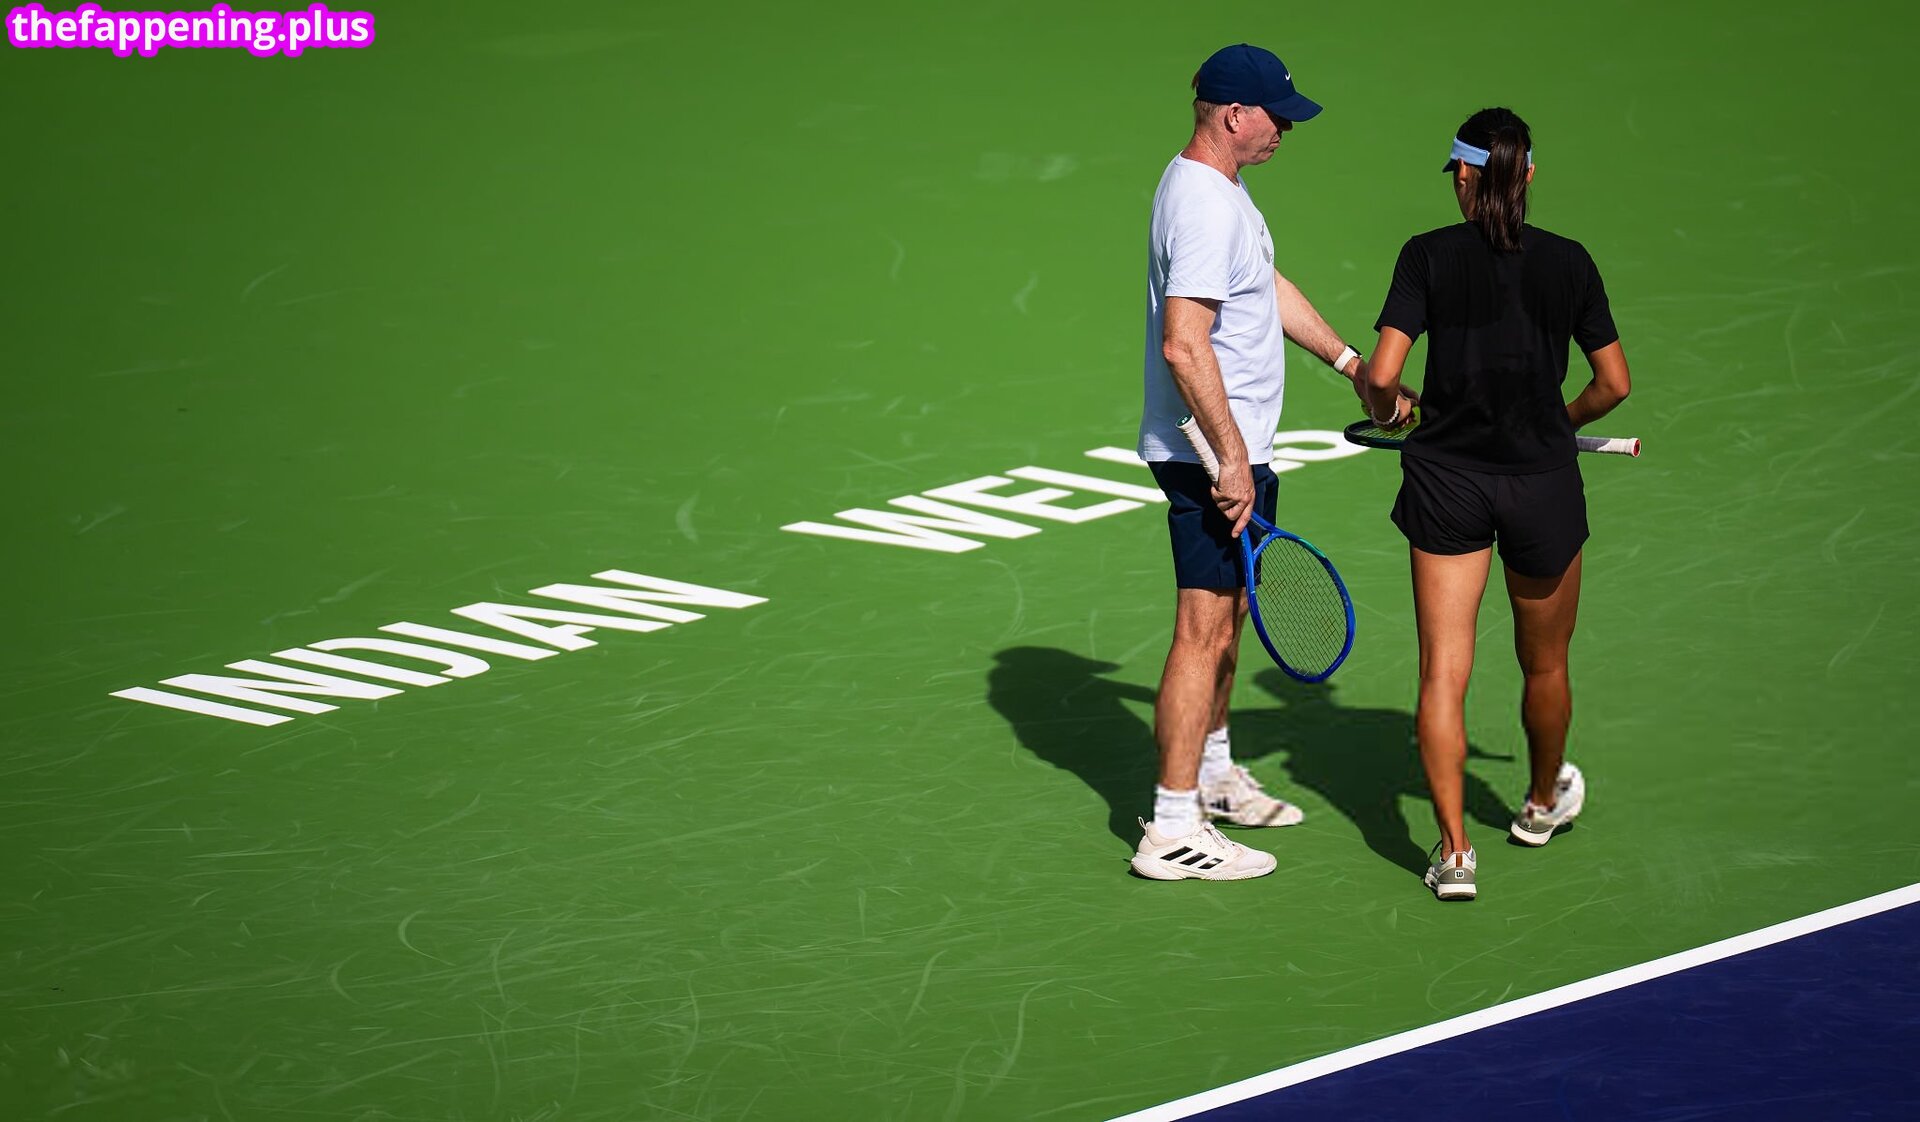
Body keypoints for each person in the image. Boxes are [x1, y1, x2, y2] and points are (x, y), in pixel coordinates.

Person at [1356, 107, 1633, 900]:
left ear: (1465, 176)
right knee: (1545, 663)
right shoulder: (1570, 263)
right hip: (1542, 483)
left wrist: (1392, 412)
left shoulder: (1426, 256)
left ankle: (1454, 854)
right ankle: (1541, 804)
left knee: (1444, 674)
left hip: (1447, 482)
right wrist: (1557, 423)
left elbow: (1383, 375)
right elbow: (1614, 384)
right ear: (1529, 174)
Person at [1131, 44, 1391, 881]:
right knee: (1201, 630)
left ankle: (1211, 773)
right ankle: (1173, 827)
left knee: (1230, 616)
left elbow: (1264, 285)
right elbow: (1184, 344)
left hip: (1231, 449)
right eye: (1277, 115)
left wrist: (1351, 365)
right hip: (1211, 454)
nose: (1286, 128)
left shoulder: (1221, 191)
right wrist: (1232, 459)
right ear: (1232, 114)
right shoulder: (1205, 206)